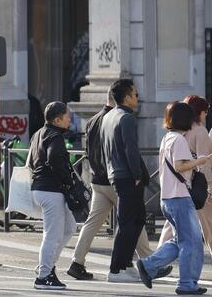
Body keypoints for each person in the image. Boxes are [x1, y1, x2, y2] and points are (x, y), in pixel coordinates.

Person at [68, 90, 154, 280]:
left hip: (97, 178)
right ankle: (149, 262)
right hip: (114, 180)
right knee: (130, 220)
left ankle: (77, 261)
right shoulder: (116, 118)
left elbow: (88, 152)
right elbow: (121, 151)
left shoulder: (92, 121)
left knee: (93, 222)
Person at [137, 102, 212, 295]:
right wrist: (201, 161)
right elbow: (180, 166)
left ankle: (149, 266)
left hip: (168, 197)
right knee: (192, 242)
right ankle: (187, 283)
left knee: (182, 239)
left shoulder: (167, 138)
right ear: (186, 120)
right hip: (179, 197)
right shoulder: (179, 140)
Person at [160, 95, 212, 279]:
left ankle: (157, 263)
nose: (206, 115)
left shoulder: (174, 135)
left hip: (178, 187)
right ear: (199, 113)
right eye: (205, 111)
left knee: (172, 228)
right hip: (199, 187)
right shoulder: (199, 131)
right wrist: (211, 187)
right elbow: (203, 163)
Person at [102, 79, 148, 282]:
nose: (138, 98)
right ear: (127, 97)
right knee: (128, 223)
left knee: (136, 219)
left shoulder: (108, 117)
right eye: (136, 94)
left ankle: (125, 265)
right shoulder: (127, 118)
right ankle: (116, 269)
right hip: (128, 176)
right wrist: (137, 175)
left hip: (116, 174)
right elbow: (131, 149)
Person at [28, 101, 77, 290]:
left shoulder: (38, 134)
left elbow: (32, 162)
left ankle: (46, 265)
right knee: (52, 234)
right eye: (67, 116)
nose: (69, 119)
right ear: (57, 119)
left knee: (69, 227)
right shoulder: (55, 136)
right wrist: (67, 181)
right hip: (51, 190)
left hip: (42, 189)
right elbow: (55, 160)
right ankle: (43, 276)